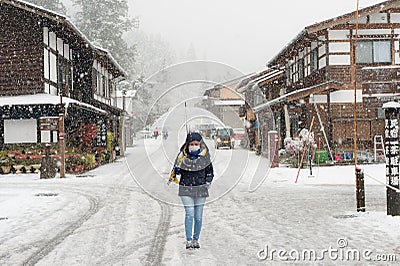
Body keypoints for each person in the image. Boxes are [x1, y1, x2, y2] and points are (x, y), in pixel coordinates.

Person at [169, 132, 214, 249]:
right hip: (186, 188)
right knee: (190, 214)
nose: (194, 146)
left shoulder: (205, 156)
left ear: (200, 144)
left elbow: (210, 172)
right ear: (187, 144)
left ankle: (196, 239)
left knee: (198, 216)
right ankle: (188, 240)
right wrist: (178, 165)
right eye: (192, 144)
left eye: (196, 144)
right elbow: (176, 171)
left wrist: (208, 182)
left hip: (201, 189)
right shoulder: (182, 156)